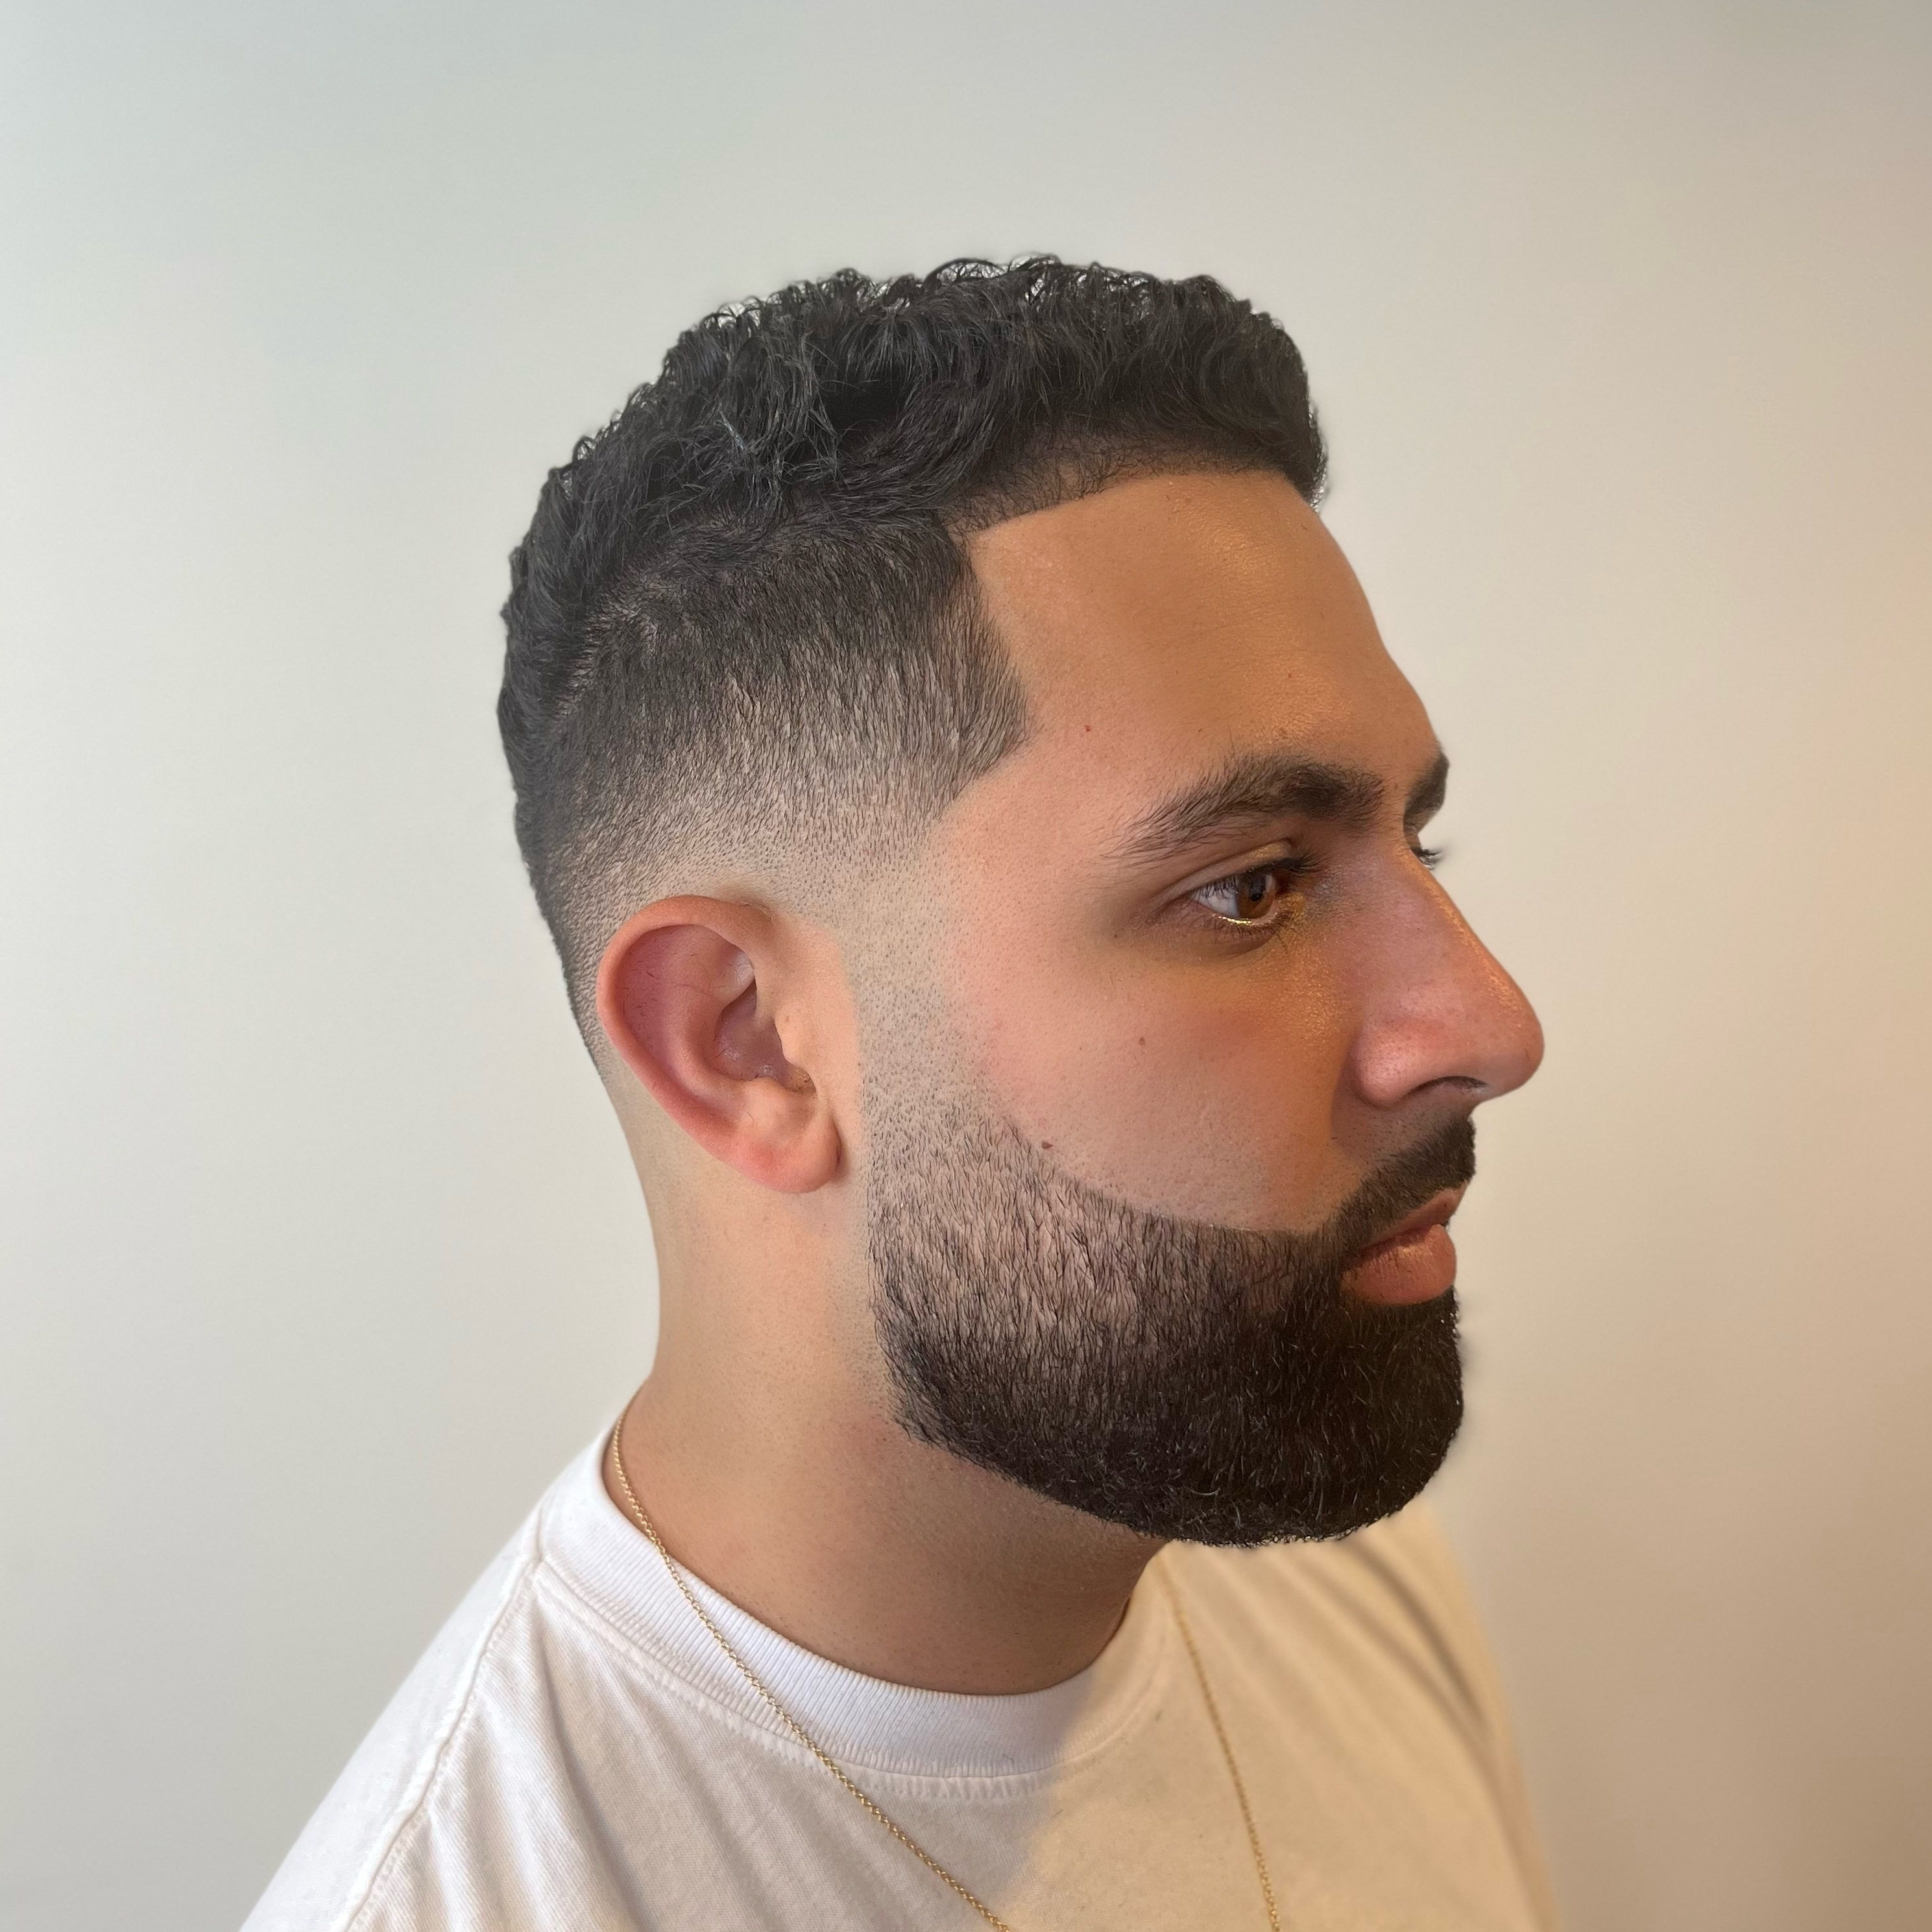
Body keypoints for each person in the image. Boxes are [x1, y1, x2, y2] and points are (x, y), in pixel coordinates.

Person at [245, 259, 1554, 1931]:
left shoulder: (1345, 1592)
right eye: (1253, 888)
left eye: (1413, 841)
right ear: (748, 1042)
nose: (1487, 1024)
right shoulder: (496, 1888)